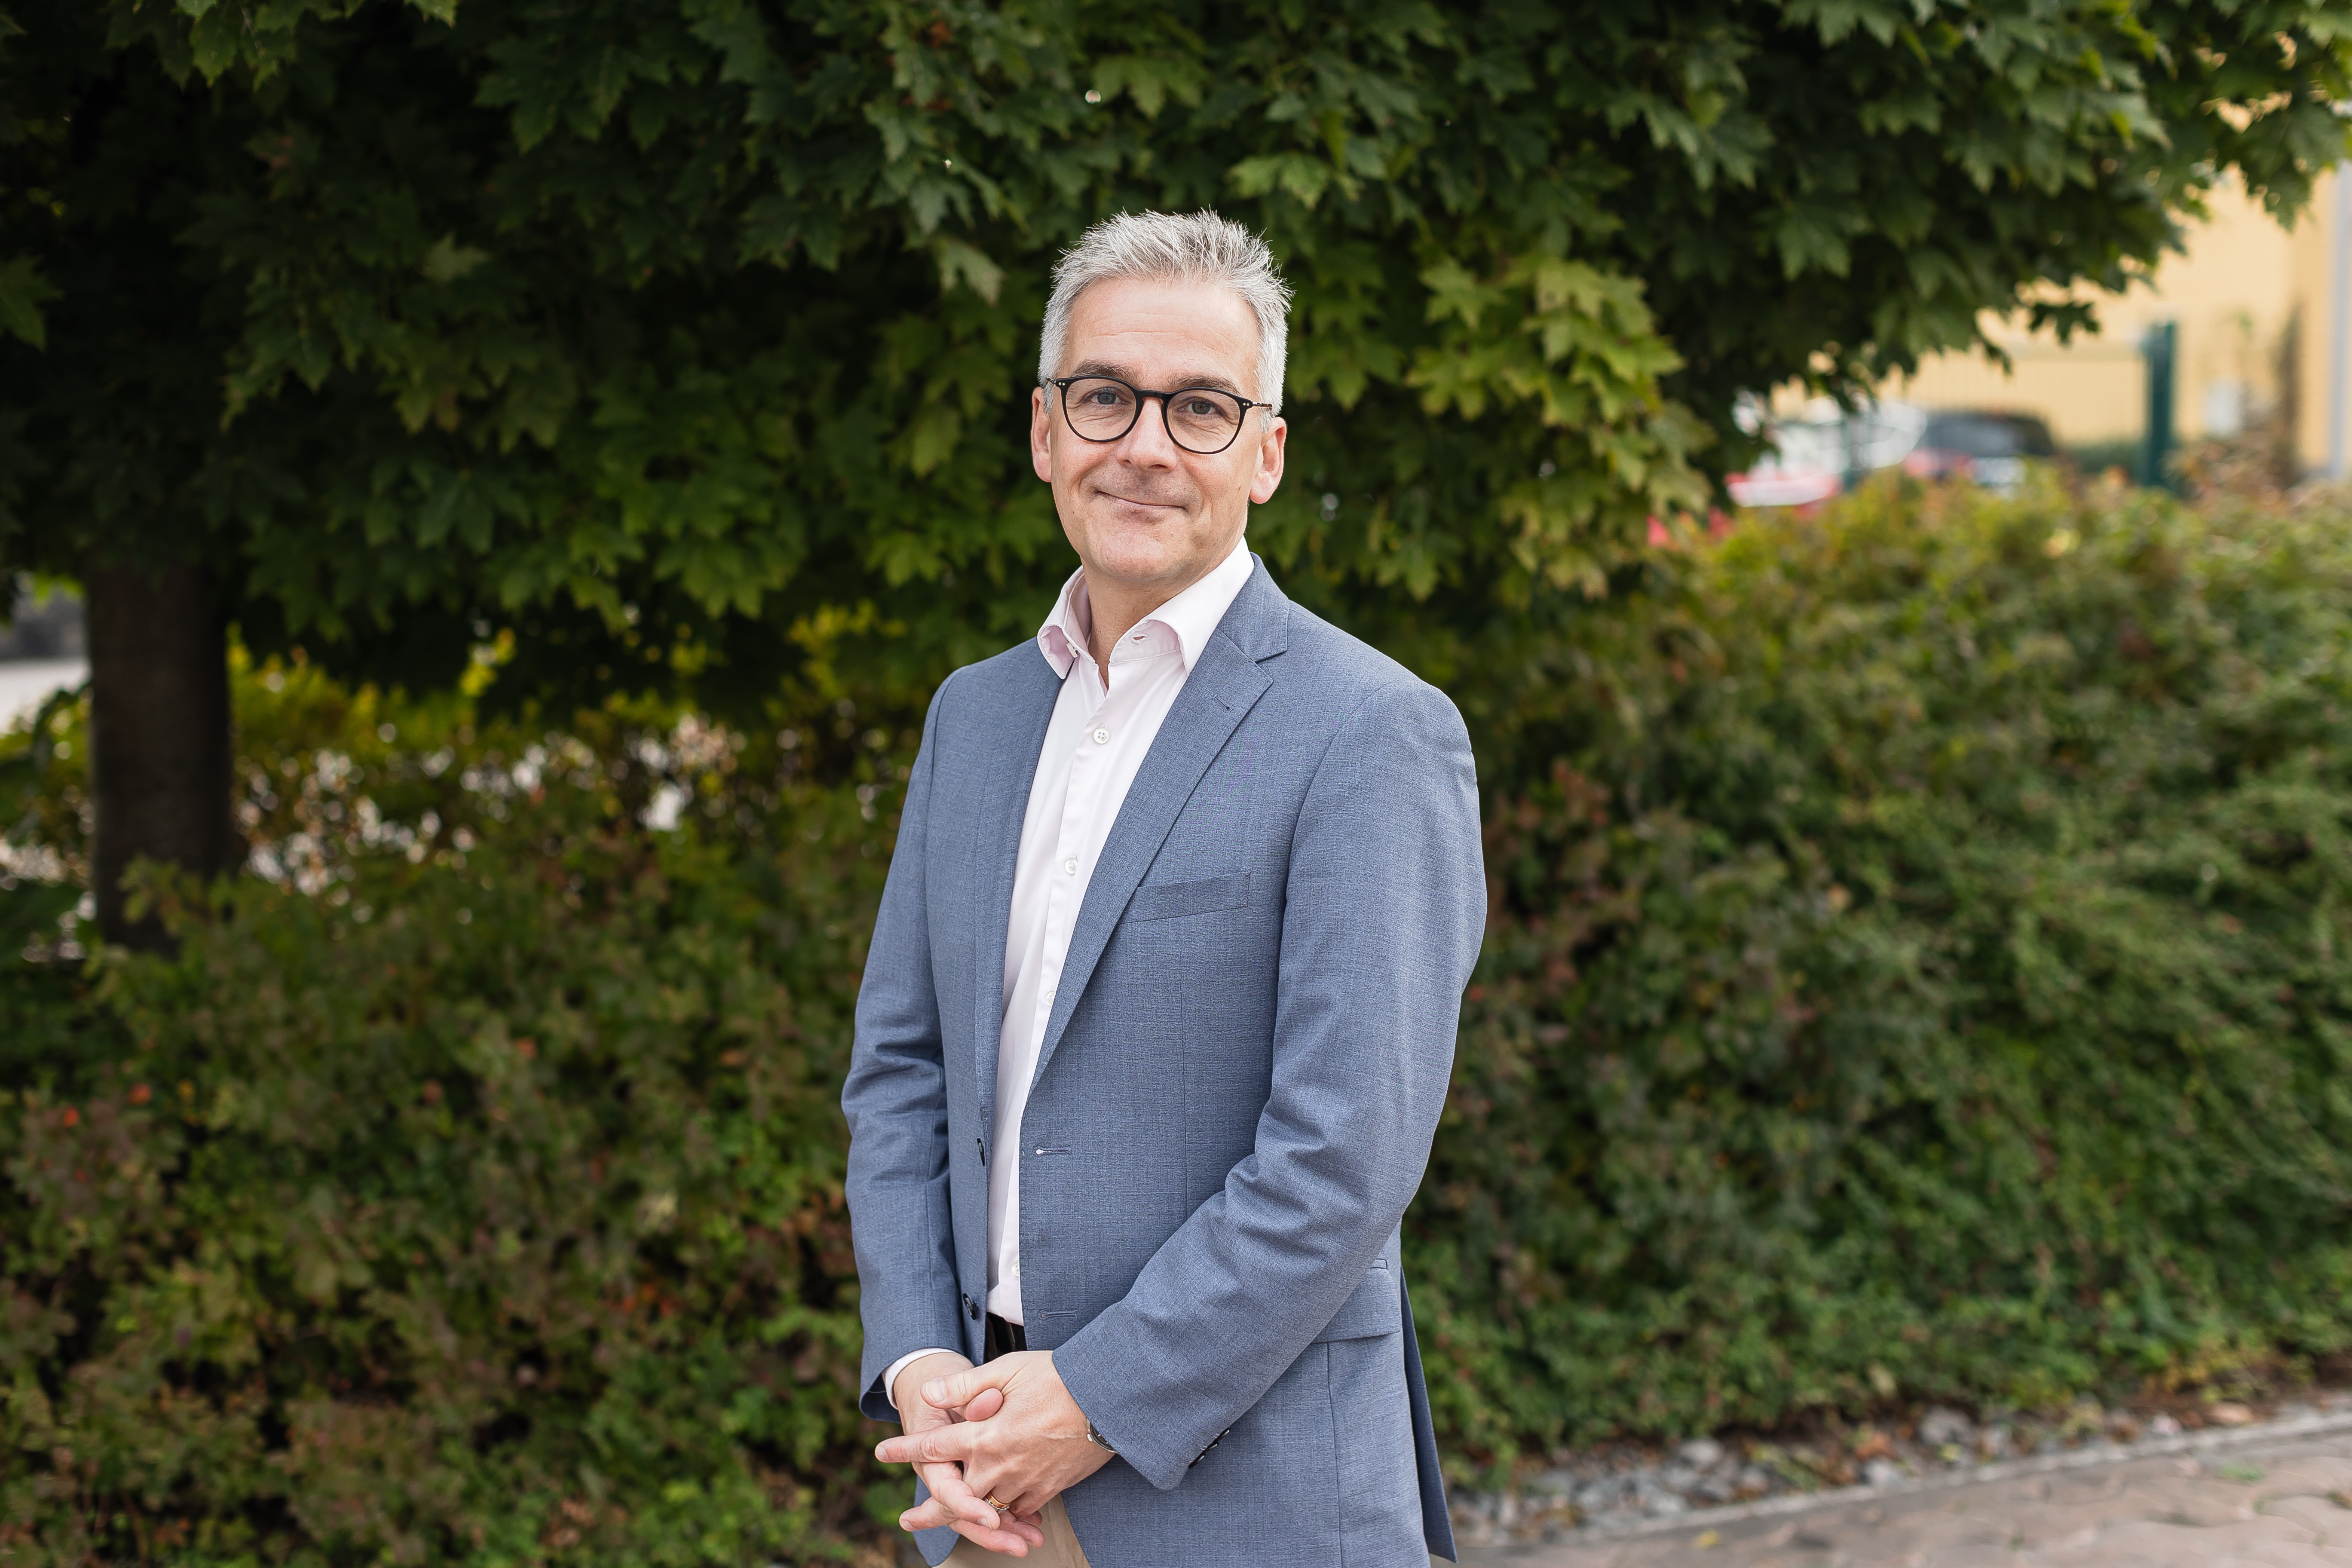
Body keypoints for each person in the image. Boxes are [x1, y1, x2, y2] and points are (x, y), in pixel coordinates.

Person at [841, 208, 1485, 1568]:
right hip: (980, 1486)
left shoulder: (1371, 731)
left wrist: (1090, 1400)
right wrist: (916, 1364)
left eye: (1199, 407)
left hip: (1251, 1498)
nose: (1143, 444)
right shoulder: (975, 717)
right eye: (1105, 397)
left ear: (1266, 454)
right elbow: (901, 1074)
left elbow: (1343, 1159)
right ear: (1044, 431)